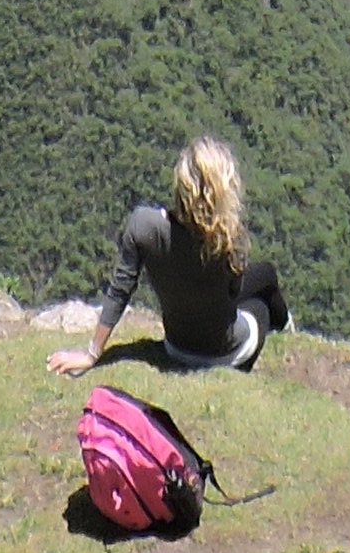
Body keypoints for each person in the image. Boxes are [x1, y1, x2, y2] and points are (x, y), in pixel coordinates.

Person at [46, 136, 289, 375]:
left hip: (177, 348)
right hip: (226, 352)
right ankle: (287, 328)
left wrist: (91, 354)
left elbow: (120, 289)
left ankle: (285, 325)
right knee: (261, 299)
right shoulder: (228, 239)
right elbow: (233, 295)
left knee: (263, 274)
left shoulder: (144, 225)